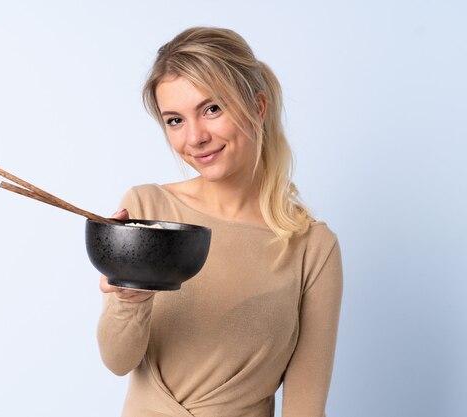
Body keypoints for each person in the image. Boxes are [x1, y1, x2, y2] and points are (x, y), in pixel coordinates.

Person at [97, 27, 343, 417]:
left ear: (258, 108)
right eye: (175, 120)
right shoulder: (148, 208)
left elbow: (306, 406)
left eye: (212, 109)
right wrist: (130, 299)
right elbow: (117, 360)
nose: (195, 137)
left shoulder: (312, 247)